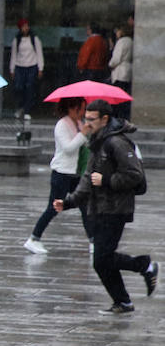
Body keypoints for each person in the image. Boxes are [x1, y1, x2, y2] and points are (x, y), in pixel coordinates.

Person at [56, 102, 156, 314]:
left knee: (101, 259)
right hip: (98, 208)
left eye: (92, 119)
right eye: (86, 118)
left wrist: (107, 180)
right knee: (102, 260)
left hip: (116, 209)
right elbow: (88, 179)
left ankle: (143, 267)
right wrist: (68, 202)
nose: (87, 123)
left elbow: (134, 176)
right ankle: (124, 299)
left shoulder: (116, 143)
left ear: (105, 119)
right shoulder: (97, 142)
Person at [25, 97, 90, 255]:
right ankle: (34, 238)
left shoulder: (78, 123)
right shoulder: (62, 125)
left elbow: (83, 145)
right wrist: (83, 134)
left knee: (85, 206)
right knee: (54, 207)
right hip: (62, 173)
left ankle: (93, 240)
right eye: (81, 108)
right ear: (72, 108)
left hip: (76, 173)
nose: (83, 112)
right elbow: (68, 148)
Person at [8, 19, 43, 118]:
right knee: (19, 87)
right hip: (20, 66)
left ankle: (27, 110)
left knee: (30, 88)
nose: (26, 28)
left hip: (32, 66)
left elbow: (39, 53)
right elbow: (14, 55)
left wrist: (40, 68)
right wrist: (12, 69)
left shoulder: (34, 39)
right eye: (23, 26)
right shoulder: (17, 40)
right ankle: (20, 107)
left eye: (27, 26)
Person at [109, 24, 133, 120]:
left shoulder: (121, 42)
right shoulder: (131, 41)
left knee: (116, 97)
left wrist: (110, 65)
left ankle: (116, 117)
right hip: (127, 70)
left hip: (120, 72)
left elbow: (116, 58)